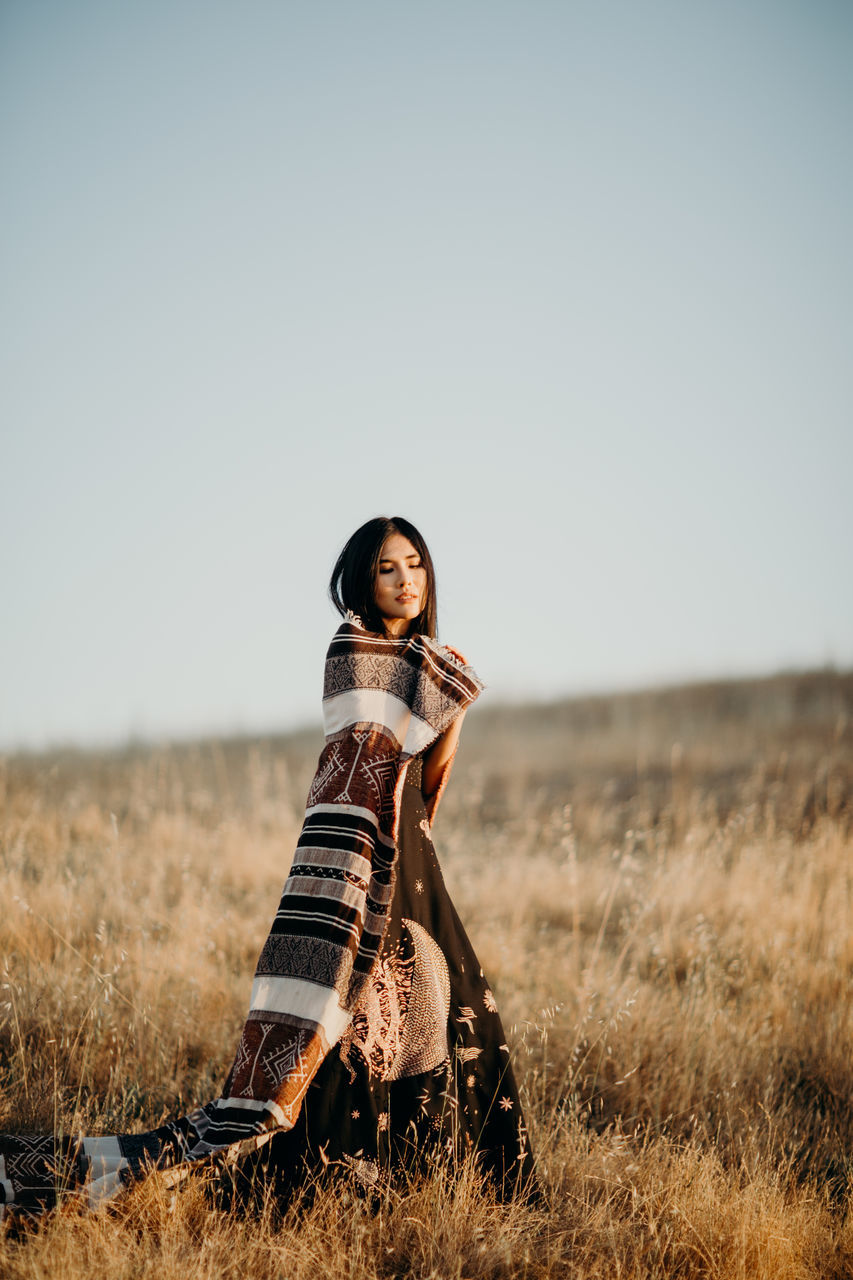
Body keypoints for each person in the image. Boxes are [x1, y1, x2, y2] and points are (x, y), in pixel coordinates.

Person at [0, 516, 535, 1219]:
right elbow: (355, 766)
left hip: (411, 855)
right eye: (387, 568)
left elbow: (424, 781)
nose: (406, 580)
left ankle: (446, 1184)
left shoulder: (427, 661)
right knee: (353, 1025)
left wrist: (451, 706)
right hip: (361, 858)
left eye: (414, 564)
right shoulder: (353, 647)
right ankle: (329, 1181)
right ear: (361, 580)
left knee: (445, 1010)